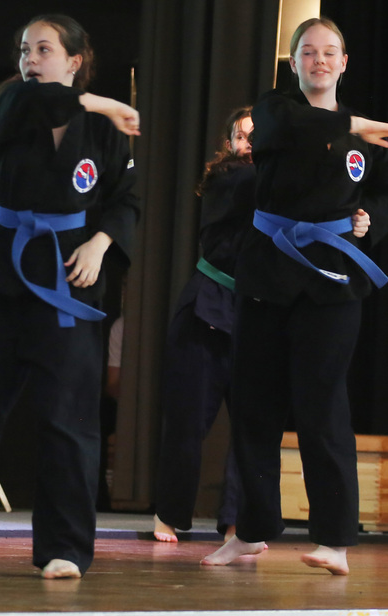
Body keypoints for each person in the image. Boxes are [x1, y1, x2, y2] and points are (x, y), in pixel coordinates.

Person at [0, 14, 140, 579]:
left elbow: (126, 199)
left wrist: (100, 243)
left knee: (69, 423)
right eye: (25, 50)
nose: (30, 59)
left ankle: (65, 548)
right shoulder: (12, 104)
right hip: (6, 277)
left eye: (44, 49)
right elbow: (46, 103)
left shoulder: (105, 129)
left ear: (74, 60)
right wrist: (101, 102)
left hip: (69, 282)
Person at [201, 18, 388, 575]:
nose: (319, 60)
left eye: (329, 52)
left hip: (332, 281)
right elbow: (289, 127)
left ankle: (335, 540)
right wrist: (351, 124)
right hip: (268, 277)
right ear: (293, 63)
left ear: (344, 63)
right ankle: (250, 532)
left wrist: (371, 218)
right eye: (308, 52)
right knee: (254, 409)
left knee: (323, 407)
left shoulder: (368, 138)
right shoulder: (274, 111)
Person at [153, 107, 256, 543]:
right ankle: (169, 513)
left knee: (253, 428)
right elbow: (259, 183)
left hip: (255, 316)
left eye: (258, 137)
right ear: (229, 144)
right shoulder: (227, 177)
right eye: (242, 136)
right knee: (188, 420)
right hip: (206, 311)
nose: (249, 144)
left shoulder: (278, 183)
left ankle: (236, 522)